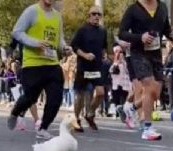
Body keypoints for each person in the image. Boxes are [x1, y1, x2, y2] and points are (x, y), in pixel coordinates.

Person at [8, 0, 68, 140]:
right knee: (31, 97)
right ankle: (15, 112)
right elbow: (17, 32)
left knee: (56, 97)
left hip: (52, 63)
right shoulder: (32, 11)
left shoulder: (57, 16)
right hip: (33, 64)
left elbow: (59, 40)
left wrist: (64, 47)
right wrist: (35, 43)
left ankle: (43, 128)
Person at [119, 0, 173, 140]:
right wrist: (140, 37)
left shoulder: (162, 7)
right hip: (139, 53)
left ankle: (130, 109)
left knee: (155, 93)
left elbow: (166, 28)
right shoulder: (133, 9)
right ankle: (147, 128)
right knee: (149, 86)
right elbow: (122, 33)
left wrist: (172, 37)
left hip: (156, 54)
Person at [71, 5, 108, 131]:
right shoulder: (82, 30)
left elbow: (104, 47)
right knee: (80, 96)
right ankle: (76, 119)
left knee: (101, 93)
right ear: (89, 16)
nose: (97, 16)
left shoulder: (103, 31)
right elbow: (74, 46)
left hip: (97, 68)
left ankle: (90, 114)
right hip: (83, 67)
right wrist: (85, 55)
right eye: (94, 14)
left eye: (99, 14)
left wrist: (104, 56)